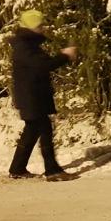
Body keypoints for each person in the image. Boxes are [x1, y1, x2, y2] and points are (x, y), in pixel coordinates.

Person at [8, 10, 79, 181]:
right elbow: (42, 66)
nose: (43, 28)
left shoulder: (26, 45)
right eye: (40, 26)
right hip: (32, 98)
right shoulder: (24, 46)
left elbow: (40, 66)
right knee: (44, 130)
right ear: (32, 27)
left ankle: (17, 168)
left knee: (32, 131)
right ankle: (52, 171)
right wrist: (65, 56)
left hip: (32, 96)